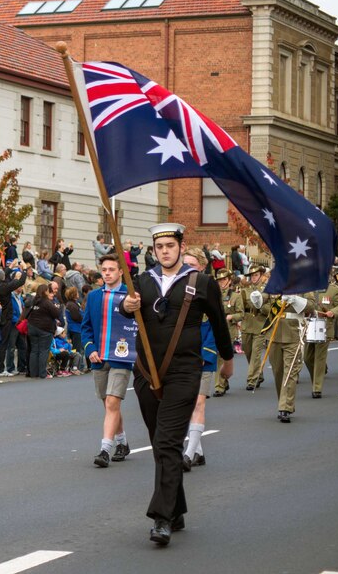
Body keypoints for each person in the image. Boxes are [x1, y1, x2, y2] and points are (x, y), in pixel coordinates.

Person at [121, 223, 233, 546]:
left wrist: (227, 358)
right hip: (146, 372)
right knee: (160, 443)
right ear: (154, 250)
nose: (165, 251)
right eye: (160, 247)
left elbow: (218, 320)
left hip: (184, 371)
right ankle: (177, 508)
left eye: (170, 245)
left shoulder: (202, 283)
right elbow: (126, 311)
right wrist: (125, 307)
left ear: (181, 247)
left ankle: (161, 518)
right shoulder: (141, 282)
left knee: (169, 442)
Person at [81, 253, 135, 468]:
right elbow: (85, 328)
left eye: (112, 269)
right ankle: (123, 443)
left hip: (122, 357)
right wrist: (89, 348)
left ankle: (105, 449)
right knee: (107, 403)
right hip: (99, 357)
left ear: (121, 271)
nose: (107, 273)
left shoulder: (131, 295)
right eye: (104, 270)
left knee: (113, 402)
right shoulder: (94, 296)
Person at [180, 249, 217, 470]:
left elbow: (217, 325)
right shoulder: (177, 288)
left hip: (203, 355)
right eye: (185, 264)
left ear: (201, 267)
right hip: (182, 357)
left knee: (198, 402)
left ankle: (189, 453)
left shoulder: (209, 289)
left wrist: (206, 354)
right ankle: (199, 451)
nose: (187, 268)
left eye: (192, 265)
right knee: (185, 404)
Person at [267, 293, 315, 422]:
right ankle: (283, 401)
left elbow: (311, 306)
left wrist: (296, 300)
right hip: (274, 333)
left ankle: (285, 407)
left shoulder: (303, 285)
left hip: (294, 332)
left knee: (290, 372)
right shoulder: (275, 284)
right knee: (278, 372)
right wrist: (258, 301)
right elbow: (265, 305)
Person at [305, 275, 338, 399]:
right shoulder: (308, 287)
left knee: (319, 358)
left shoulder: (333, 289)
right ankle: (317, 376)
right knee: (307, 358)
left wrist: (333, 312)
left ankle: (317, 388)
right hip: (309, 326)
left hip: (324, 326)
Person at [0, 265, 27, 377]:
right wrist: (25, 270)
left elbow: (4, 276)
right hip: (5, 318)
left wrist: (10, 267)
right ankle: (0, 368)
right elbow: (21, 281)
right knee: (4, 344)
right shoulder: (4, 287)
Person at [214, 269, 243, 397]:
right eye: (219, 280)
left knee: (223, 357)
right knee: (218, 357)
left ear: (229, 280)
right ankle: (222, 383)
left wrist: (231, 317)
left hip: (228, 330)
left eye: (224, 280)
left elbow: (241, 314)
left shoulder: (235, 296)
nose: (222, 283)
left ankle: (219, 386)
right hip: (215, 328)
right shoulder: (214, 295)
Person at [241, 264, 270, 390]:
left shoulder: (267, 290)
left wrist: (260, 307)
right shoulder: (245, 290)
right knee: (247, 351)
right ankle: (259, 374)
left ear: (262, 276)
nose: (253, 277)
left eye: (256, 275)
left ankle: (252, 380)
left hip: (260, 324)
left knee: (256, 353)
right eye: (251, 275)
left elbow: (271, 309)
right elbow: (241, 307)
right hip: (247, 324)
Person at [26, 283, 61, 379]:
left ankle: (33, 373)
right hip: (44, 329)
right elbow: (56, 313)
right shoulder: (46, 302)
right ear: (45, 291)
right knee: (43, 351)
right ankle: (42, 373)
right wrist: (57, 307)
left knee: (34, 351)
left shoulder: (34, 301)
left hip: (32, 327)